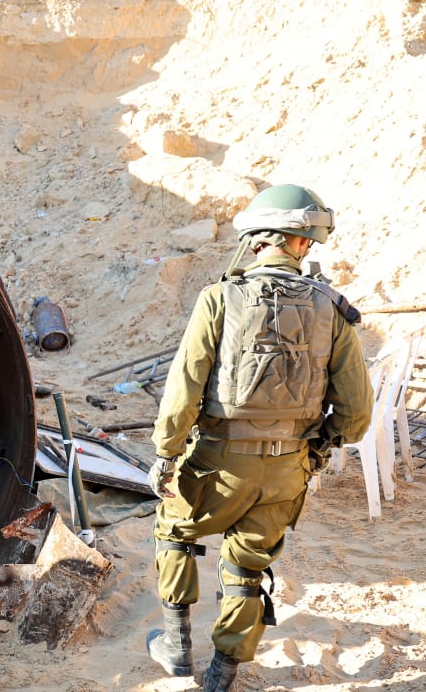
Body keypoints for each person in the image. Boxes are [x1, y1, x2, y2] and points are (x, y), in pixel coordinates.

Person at [145, 184, 374, 691]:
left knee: (174, 531)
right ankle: (222, 675)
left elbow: (183, 388)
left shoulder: (219, 298)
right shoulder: (332, 309)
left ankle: (176, 645)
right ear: (302, 244)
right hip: (287, 468)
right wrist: (318, 447)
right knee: (247, 567)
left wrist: (166, 453)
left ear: (256, 240)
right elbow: (357, 412)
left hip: (216, 462)